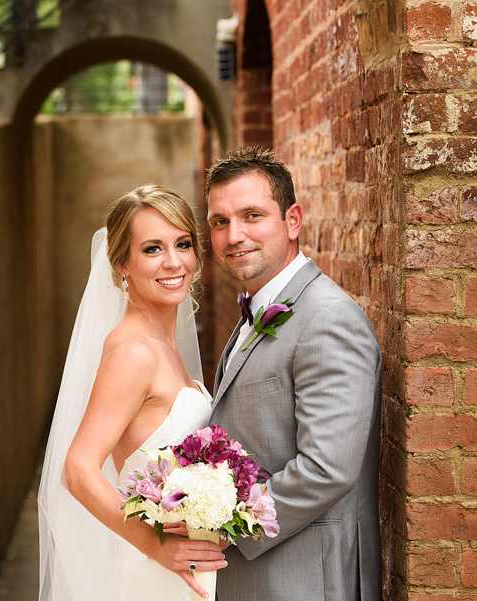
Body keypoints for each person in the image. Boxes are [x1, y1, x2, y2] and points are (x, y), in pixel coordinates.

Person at [206, 147, 382, 600]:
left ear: (292, 221)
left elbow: (327, 468)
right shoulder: (260, 306)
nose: (234, 235)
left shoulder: (327, 319)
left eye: (252, 215)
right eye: (219, 221)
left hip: (307, 579)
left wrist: (220, 522)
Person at [38, 185, 226, 601]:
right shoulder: (133, 352)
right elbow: (78, 468)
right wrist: (152, 544)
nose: (174, 262)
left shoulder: (165, 347)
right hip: (154, 573)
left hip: (186, 571)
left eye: (183, 244)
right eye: (153, 249)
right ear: (122, 263)